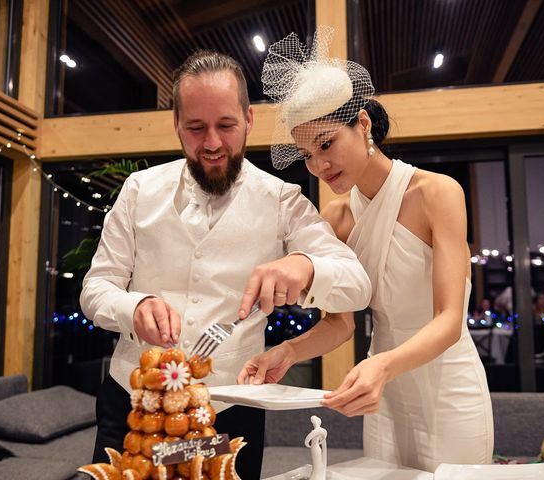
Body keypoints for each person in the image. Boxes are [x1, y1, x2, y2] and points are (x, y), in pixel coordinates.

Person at [79, 49, 371, 479]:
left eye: (226, 125)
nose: (212, 143)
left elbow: (357, 286)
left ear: (249, 120)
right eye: (196, 128)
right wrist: (133, 307)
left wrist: (306, 267)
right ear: (176, 124)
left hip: (229, 413)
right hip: (132, 404)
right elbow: (96, 287)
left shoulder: (282, 200)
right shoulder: (139, 190)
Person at [239, 27, 493, 472]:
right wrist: (288, 351)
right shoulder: (336, 219)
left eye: (326, 144)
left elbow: (450, 320)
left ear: (362, 124)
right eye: (306, 155)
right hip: (382, 394)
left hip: (448, 385)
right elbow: (340, 325)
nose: (318, 165)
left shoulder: (437, 192)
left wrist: (383, 366)